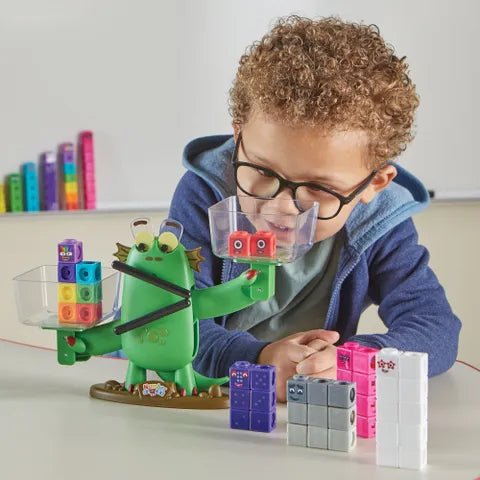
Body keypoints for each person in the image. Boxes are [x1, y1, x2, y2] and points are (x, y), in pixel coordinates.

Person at [168, 15, 461, 401]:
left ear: (374, 184)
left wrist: (353, 361)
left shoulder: (379, 220)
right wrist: (257, 360)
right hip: (196, 402)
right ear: (239, 136)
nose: (280, 208)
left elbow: (435, 327)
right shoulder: (206, 195)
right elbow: (170, 320)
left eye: (320, 189)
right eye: (261, 171)